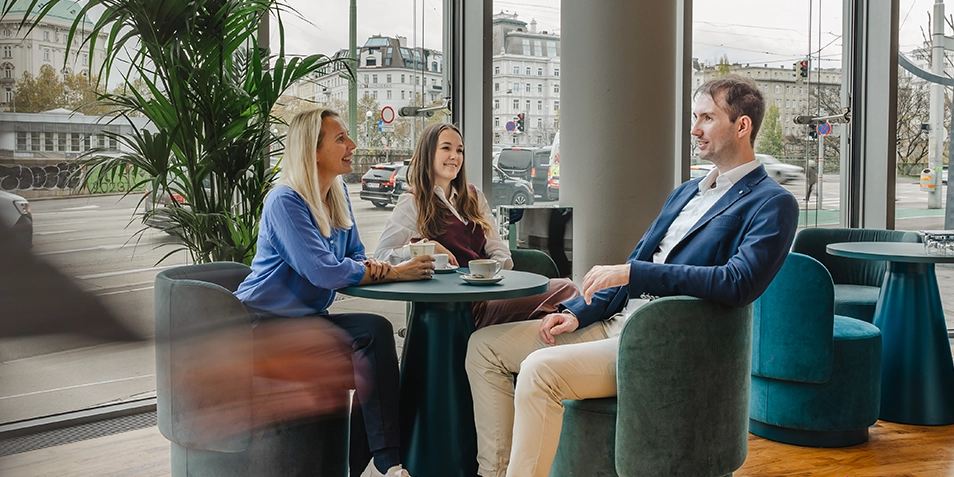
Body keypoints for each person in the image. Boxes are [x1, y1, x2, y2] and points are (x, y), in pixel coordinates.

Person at [464, 74, 800, 477]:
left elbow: (738, 283)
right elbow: (632, 268)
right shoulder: (686, 192)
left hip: (660, 342)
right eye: (695, 117)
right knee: (484, 348)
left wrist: (637, 273)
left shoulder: (773, 203)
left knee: (539, 369)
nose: (694, 129)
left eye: (707, 118)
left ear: (742, 126)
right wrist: (577, 313)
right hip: (613, 324)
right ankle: (496, 471)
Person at [235, 108, 433, 477]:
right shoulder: (285, 201)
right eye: (341, 138)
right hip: (261, 327)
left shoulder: (337, 194)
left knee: (374, 342)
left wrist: (368, 265)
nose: (352, 145)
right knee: (373, 336)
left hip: (306, 323)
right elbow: (323, 270)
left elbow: (354, 253)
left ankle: (368, 466)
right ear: (312, 150)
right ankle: (389, 463)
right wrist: (392, 273)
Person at [374, 122, 580, 329]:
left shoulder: (474, 196)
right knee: (567, 290)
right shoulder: (413, 202)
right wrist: (423, 248)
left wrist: (489, 274)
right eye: (446, 148)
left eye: (459, 150)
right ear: (428, 153)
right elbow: (382, 255)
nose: (455, 156)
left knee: (560, 305)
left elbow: (499, 251)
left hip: (487, 298)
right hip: (450, 309)